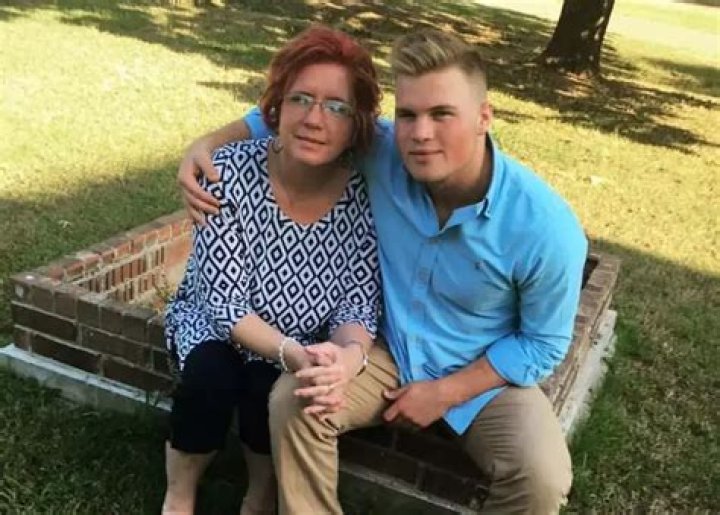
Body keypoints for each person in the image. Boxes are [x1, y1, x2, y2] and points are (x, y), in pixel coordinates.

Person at [179, 28, 588, 514]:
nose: (421, 133)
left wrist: (445, 393)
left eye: (442, 114)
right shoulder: (385, 151)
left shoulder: (546, 227)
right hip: (386, 352)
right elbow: (297, 119)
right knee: (298, 398)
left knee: (543, 477)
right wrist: (204, 145)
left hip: (480, 370)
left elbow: (543, 343)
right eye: (408, 114)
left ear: (484, 117)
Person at [163, 25, 382, 515]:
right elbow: (224, 303)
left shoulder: (365, 196)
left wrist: (347, 356)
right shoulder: (227, 172)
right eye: (300, 98)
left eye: (336, 107)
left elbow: (357, 301)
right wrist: (291, 352)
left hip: (301, 337)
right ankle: (180, 492)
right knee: (210, 377)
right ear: (276, 108)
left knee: (271, 387)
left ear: (357, 125)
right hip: (213, 324)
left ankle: (259, 493)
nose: (314, 118)